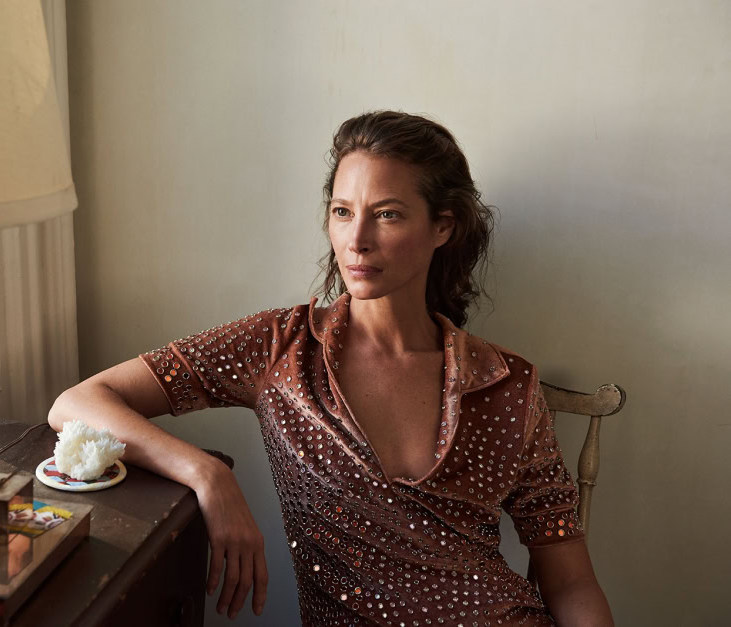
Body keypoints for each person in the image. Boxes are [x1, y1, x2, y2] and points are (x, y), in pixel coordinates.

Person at [48, 111, 615, 626]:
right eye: (342, 213)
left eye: (387, 215)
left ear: (442, 227)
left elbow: (571, 582)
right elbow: (78, 402)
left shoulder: (504, 385)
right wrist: (207, 474)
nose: (358, 240)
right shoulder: (280, 348)